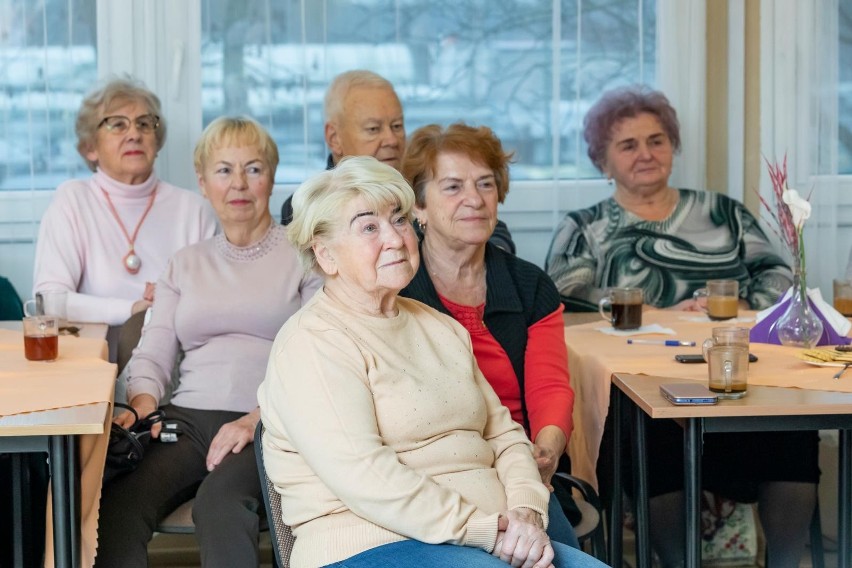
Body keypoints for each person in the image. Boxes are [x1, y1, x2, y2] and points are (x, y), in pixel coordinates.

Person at [258, 156, 605, 568]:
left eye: (400, 219)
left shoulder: (438, 325)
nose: (395, 238)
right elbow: (367, 478)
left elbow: (504, 434)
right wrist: (489, 531)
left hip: (490, 536)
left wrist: (527, 508)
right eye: (369, 227)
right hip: (372, 544)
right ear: (326, 255)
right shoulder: (311, 343)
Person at [545, 85, 818, 568]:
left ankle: (786, 563)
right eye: (628, 145)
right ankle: (677, 563)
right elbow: (564, 291)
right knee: (657, 436)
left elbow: (779, 277)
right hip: (642, 393)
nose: (646, 154)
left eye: (657, 140)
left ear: (673, 147)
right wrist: (659, 310)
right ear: (602, 161)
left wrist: (725, 303)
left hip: (740, 381)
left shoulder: (723, 213)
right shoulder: (585, 225)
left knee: (794, 434)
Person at [95, 117, 322, 568]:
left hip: (271, 421)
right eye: (223, 170)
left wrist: (256, 419)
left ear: (272, 178)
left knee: (219, 506)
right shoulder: (185, 264)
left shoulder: (306, 256)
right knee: (117, 504)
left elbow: (319, 356)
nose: (238, 183)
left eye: (253, 169)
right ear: (202, 182)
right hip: (189, 421)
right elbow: (154, 350)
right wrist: (140, 405)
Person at [398, 123, 579, 548]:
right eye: (453, 187)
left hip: (519, 467)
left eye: (485, 184)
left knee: (555, 554)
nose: (475, 199)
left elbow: (551, 386)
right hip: (430, 473)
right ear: (419, 207)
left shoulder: (529, 285)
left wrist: (546, 450)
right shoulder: (395, 288)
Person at [32, 76, 217, 333]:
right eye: (117, 125)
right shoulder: (73, 201)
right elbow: (49, 300)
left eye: (144, 124)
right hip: (94, 354)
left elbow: (213, 300)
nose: (134, 134)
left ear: (157, 140)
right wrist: (132, 310)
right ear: (90, 148)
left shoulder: (194, 210)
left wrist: (168, 299)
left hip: (176, 349)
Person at [279, 69, 516, 253]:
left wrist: (486, 262)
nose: (391, 139)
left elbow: (491, 229)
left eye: (397, 126)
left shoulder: (420, 181)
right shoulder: (305, 205)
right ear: (334, 138)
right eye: (373, 129)